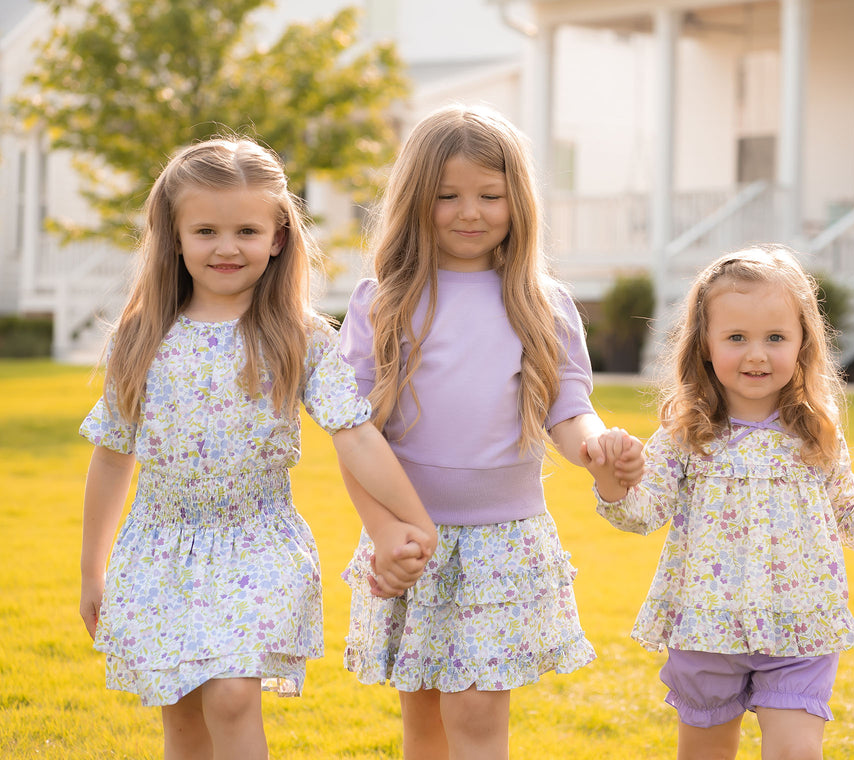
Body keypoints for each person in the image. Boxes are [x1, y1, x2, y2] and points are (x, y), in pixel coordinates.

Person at [79, 136, 437, 760]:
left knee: (231, 697)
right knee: (182, 714)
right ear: (175, 237)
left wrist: (414, 519)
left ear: (277, 237)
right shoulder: (140, 339)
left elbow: (355, 434)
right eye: (206, 231)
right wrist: (92, 568)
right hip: (159, 547)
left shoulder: (296, 337)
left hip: (258, 542)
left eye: (247, 230)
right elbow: (113, 456)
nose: (227, 247)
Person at [338, 103, 643, 759]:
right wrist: (385, 530)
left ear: (518, 201)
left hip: (502, 543)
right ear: (416, 200)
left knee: (475, 713)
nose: (469, 212)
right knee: (424, 716)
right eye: (447, 195)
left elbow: (568, 407)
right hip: (409, 537)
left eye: (489, 195)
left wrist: (596, 447)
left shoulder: (541, 303)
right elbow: (354, 436)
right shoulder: (381, 303)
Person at [590, 245, 854, 760]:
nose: (756, 355)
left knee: (797, 751)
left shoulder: (815, 431)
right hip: (707, 626)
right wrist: (613, 482)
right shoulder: (686, 434)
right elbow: (643, 512)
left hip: (800, 625)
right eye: (736, 338)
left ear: (802, 342)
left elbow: (847, 506)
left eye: (775, 338)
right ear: (705, 345)